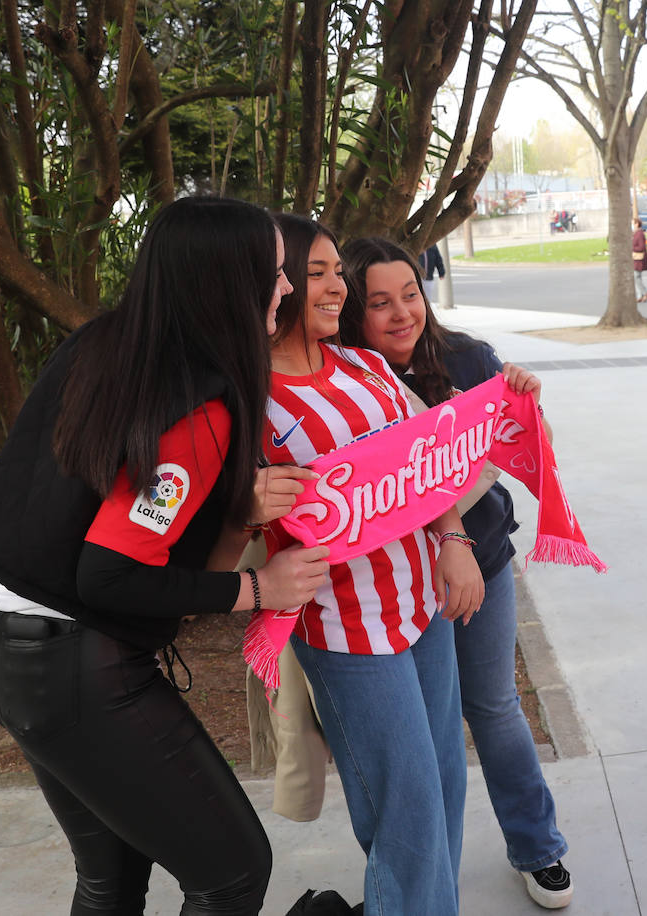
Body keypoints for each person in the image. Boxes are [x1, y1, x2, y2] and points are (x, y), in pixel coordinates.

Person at [0, 196, 331, 914]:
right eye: (276, 273)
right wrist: (263, 588)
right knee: (232, 873)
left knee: (112, 876)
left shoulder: (106, 345)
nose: (287, 290)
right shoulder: (196, 405)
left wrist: (237, 512)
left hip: (9, 652)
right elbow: (111, 573)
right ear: (228, 282)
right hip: (74, 674)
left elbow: (106, 523)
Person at [337, 236, 575, 910]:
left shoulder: (468, 357)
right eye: (378, 303)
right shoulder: (345, 383)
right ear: (353, 311)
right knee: (414, 746)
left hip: (484, 564)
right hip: (391, 591)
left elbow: (534, 448)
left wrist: (526, 404)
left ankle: (538, 846)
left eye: (409, 294)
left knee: (493, 705)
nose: (400, 313)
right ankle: (416, 877)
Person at [263, 214, 484, 916]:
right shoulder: (248, 399)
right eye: (317, 274)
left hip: (425, 606)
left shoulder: (363, 364)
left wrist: (455, 541)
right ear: (274, 285)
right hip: (347, 629)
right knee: (408, 812)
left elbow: (428, 463)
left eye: (338, 274)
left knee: (445, 785)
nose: (336, 289)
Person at [632, 217, 647, 304]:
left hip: (639, 259)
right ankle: (640, 296)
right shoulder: (636, 233)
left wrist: (631, 247)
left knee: (636, 277)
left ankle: (645, 292)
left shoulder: (639, 234)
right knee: (637, 277)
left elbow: (641, 247)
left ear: (637, 224)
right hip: (636, 259)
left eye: (632, 223)